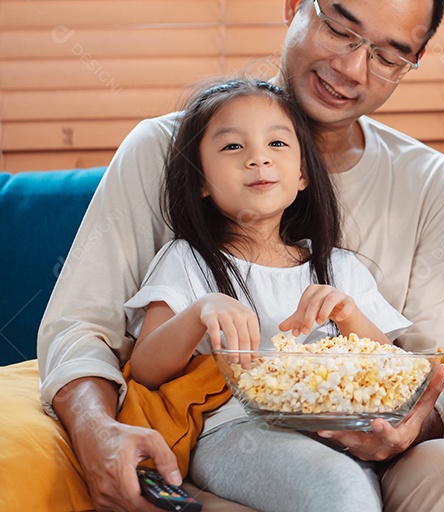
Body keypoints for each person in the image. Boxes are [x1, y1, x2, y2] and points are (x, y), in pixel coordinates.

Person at [38, 0, 444, 512]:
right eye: (340, 29)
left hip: (372, 444)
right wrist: (94, 431)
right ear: (295, 2)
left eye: (389, 56)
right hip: (220, 436)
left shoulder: (429, 182)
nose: (354, 70)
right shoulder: (165, 149)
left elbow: (441, 363)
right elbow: (79, 326)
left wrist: (405, 429)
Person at [124, 78, 413, 510]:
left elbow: (395, 373)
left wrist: (349, 314)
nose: (258, 157)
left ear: (301, 175)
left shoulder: (340, 269)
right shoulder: (187, 259)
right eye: (232, 147)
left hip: (341, 433)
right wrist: (199, 311)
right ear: (201, 181)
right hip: (235, 433)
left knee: (352, 488)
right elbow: (145, 369)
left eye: (277, 143)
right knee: (341, 490)